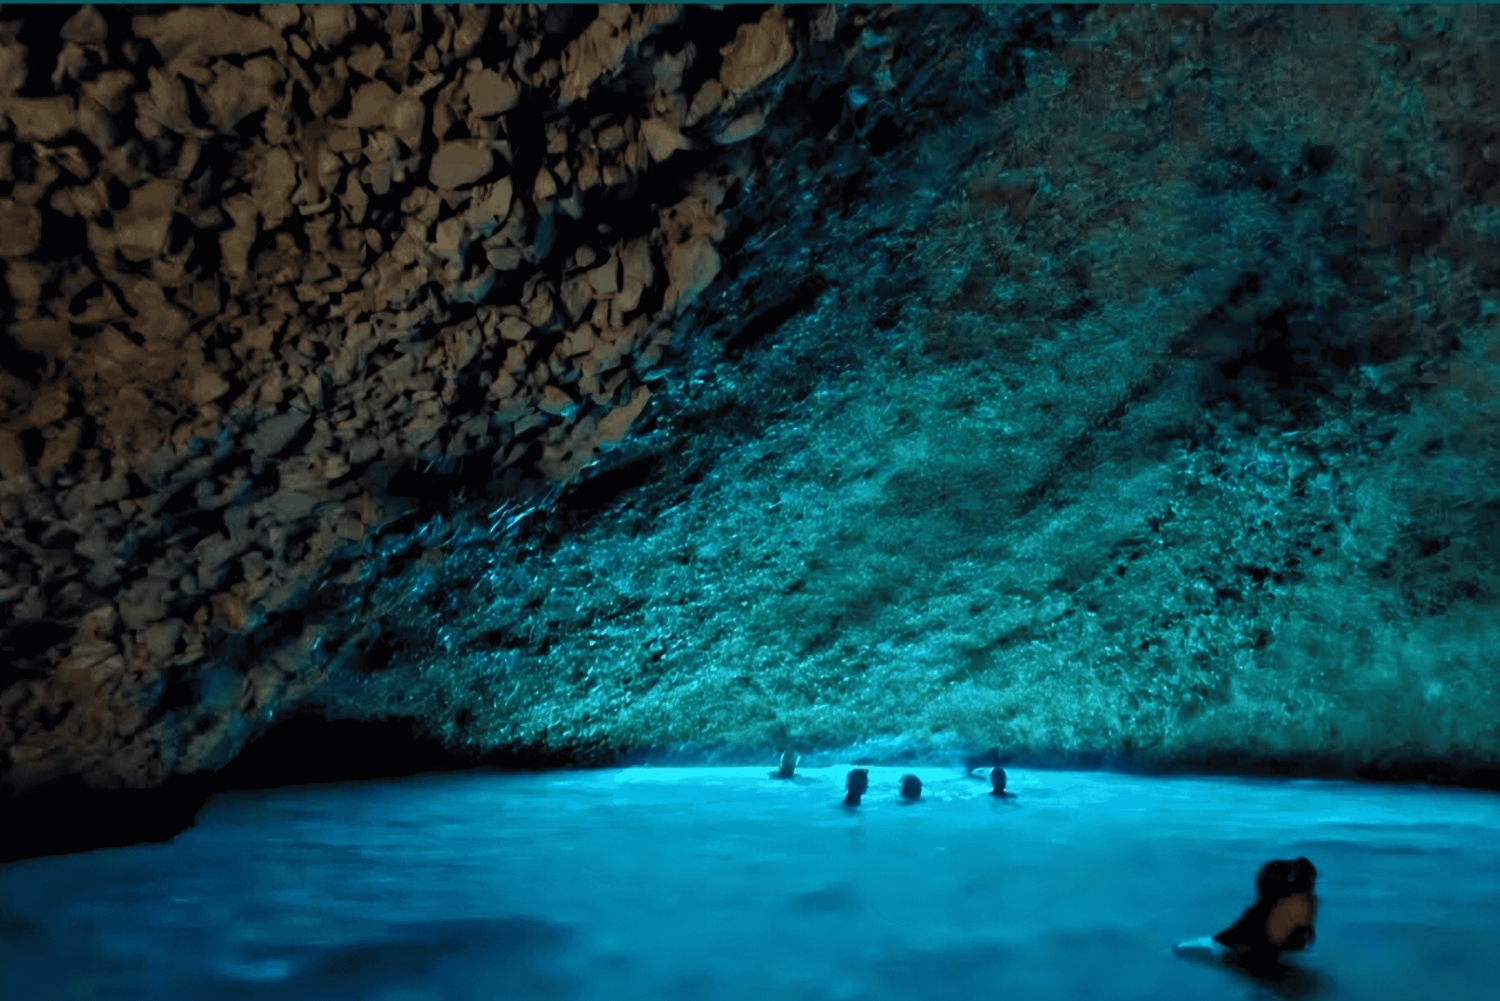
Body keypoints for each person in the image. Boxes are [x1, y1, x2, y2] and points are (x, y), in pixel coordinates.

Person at [1175, 857, 1318, 972]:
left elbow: (1228, 937)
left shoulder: (1263, 910)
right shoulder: (1306, 902)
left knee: (1181, 949)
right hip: (1277, 950)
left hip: (1255, 956)